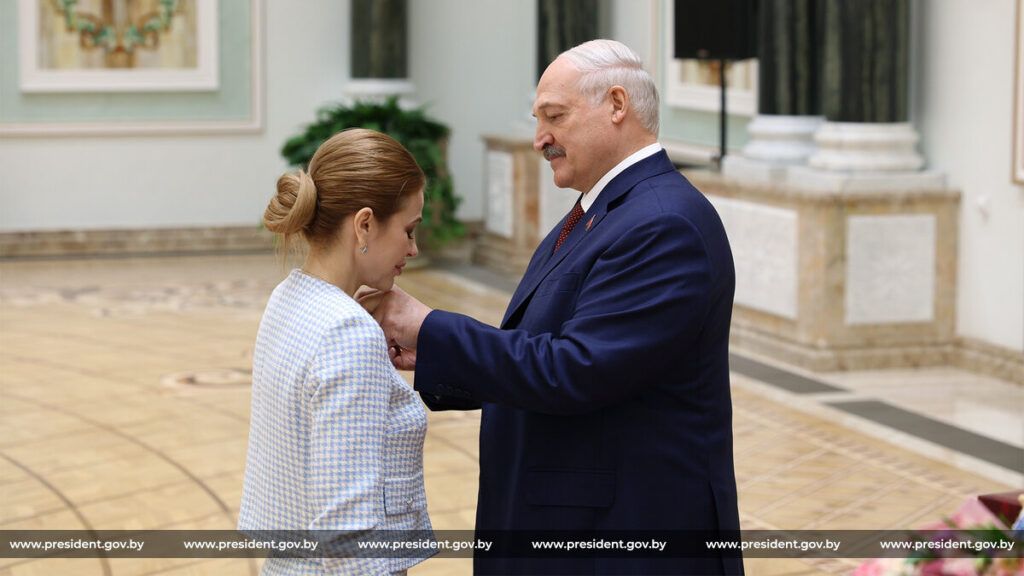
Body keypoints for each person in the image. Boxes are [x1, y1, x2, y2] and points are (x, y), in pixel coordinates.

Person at [366, 40, 743, 574]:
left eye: (555, 116)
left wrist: (429, 328)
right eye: (538, 120)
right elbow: (546, 349)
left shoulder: (663, 223)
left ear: (617, 105)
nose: (540, 138)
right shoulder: (605, 209)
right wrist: (432, 353)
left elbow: (576, 370)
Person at [238, 128, 432, 575]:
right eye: (408, 230)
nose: (413, 248)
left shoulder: (288, 297)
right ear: (364, 224)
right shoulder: (348, 331)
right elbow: (347, 529)